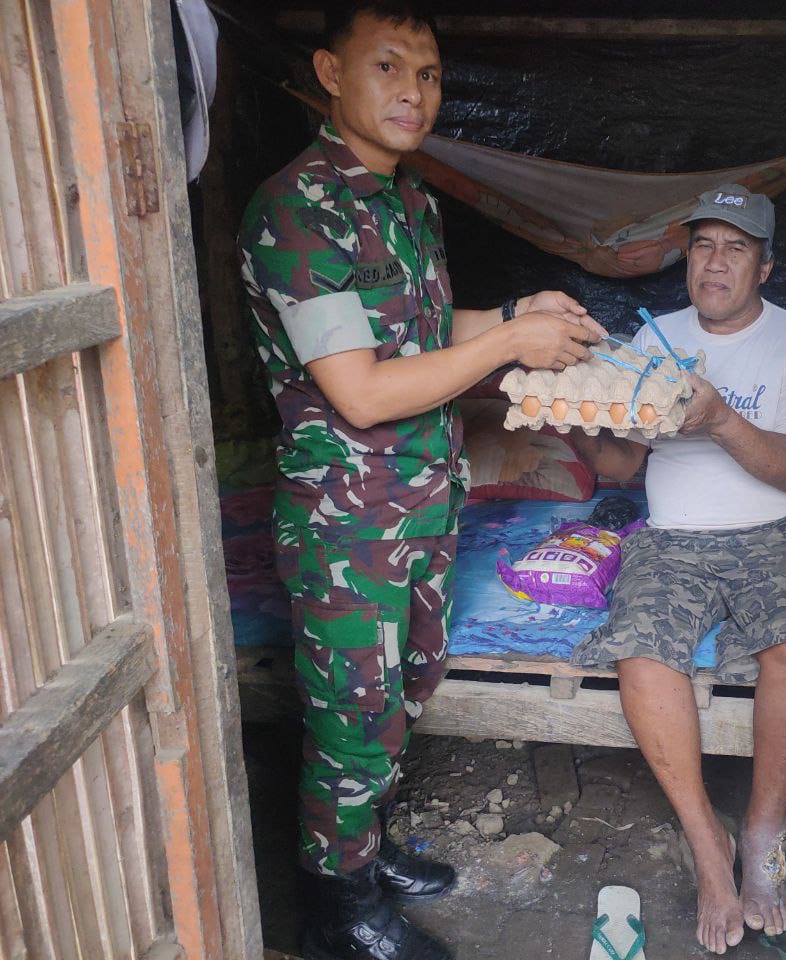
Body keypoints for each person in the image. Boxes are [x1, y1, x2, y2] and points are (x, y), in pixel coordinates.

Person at [237, 4, 603, 958]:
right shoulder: (298, 207)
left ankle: (365, 846)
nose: (413, 89)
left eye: (431, 73)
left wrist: (514, 312)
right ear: (329, 70)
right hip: (347, 519)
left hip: (424, 500)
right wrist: (514, 344)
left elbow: (419, 336)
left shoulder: (407, 202)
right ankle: (340, 908)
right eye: (388, 65)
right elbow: (358, 389)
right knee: (352, 713)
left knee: (404, 691)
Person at [568, 184, 786, 955]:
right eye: (704, 246)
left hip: (779, 529)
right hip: (676, 537)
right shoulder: (654, 342)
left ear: (765, 266)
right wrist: (580, 423)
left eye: (736, 248)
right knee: (643, 651)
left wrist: (718, 416)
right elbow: (622, 466)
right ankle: (707, 846)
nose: (715, 264)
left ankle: (760, 833)